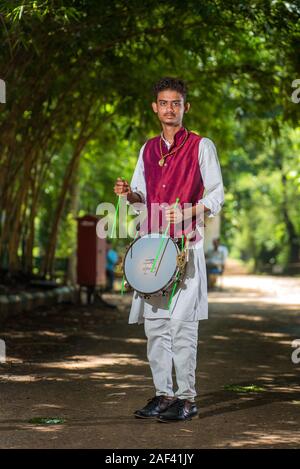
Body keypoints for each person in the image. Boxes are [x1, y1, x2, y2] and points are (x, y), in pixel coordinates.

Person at [114, 77, 224, 422]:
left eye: (176, 103)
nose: (169, 109)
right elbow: (140, 196)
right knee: (157, 328)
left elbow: (216, 197)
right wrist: (128, 194)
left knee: (181, 325)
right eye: (164, 103)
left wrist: (189, 210)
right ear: (155, 108)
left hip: (185, 248)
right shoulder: (147, 150)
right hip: (152, 248)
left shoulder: (201, 146)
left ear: (185, 107)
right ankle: (164, 395)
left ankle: (187, 399)